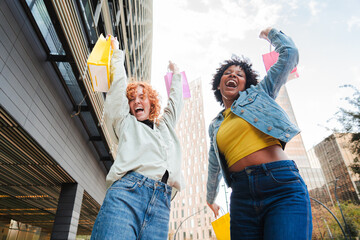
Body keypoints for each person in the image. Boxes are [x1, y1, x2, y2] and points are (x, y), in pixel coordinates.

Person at [206, 27, 312, 239]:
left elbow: (290, 53)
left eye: (239, 74)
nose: (233, 76)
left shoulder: (260, 94)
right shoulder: (215, 125)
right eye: (227, 73)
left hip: (280, 185)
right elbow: (214, 165)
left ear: (247, 84)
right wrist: (210, 197)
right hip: (241, 195)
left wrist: (272, 33)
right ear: (219, 84)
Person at [90, 35, 184, 239]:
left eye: (142, 97)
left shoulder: (165, 126)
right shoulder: (126, 123)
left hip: (161, 203)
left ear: (151, 102)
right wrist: (116, 53)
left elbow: (176, 102)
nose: (136, 101)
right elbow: (117, 89)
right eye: (132, 99)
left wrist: (176, 74)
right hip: (127, 194)